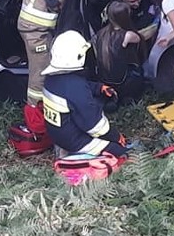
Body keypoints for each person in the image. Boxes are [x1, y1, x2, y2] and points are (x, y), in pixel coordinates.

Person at [17, 0, 87, 128]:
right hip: (35, 30)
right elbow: (53, 0)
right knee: (39, 75)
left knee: (47, 68)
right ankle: (35, 119)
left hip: (41, 28)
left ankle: (46, 112)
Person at [41, 30, 131, 158]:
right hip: (76, 142)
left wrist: (99, 88)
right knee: (123, 153)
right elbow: (94, 125)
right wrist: (115, 136)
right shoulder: (75, 86)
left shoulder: (51, 79)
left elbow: (76, 89)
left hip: (58, 136)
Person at [91, 1, 147, 107]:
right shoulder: (127, 35)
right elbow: (139, 39)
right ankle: (130, 95)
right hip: (122, 82)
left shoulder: (100, 33)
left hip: (104, 79)